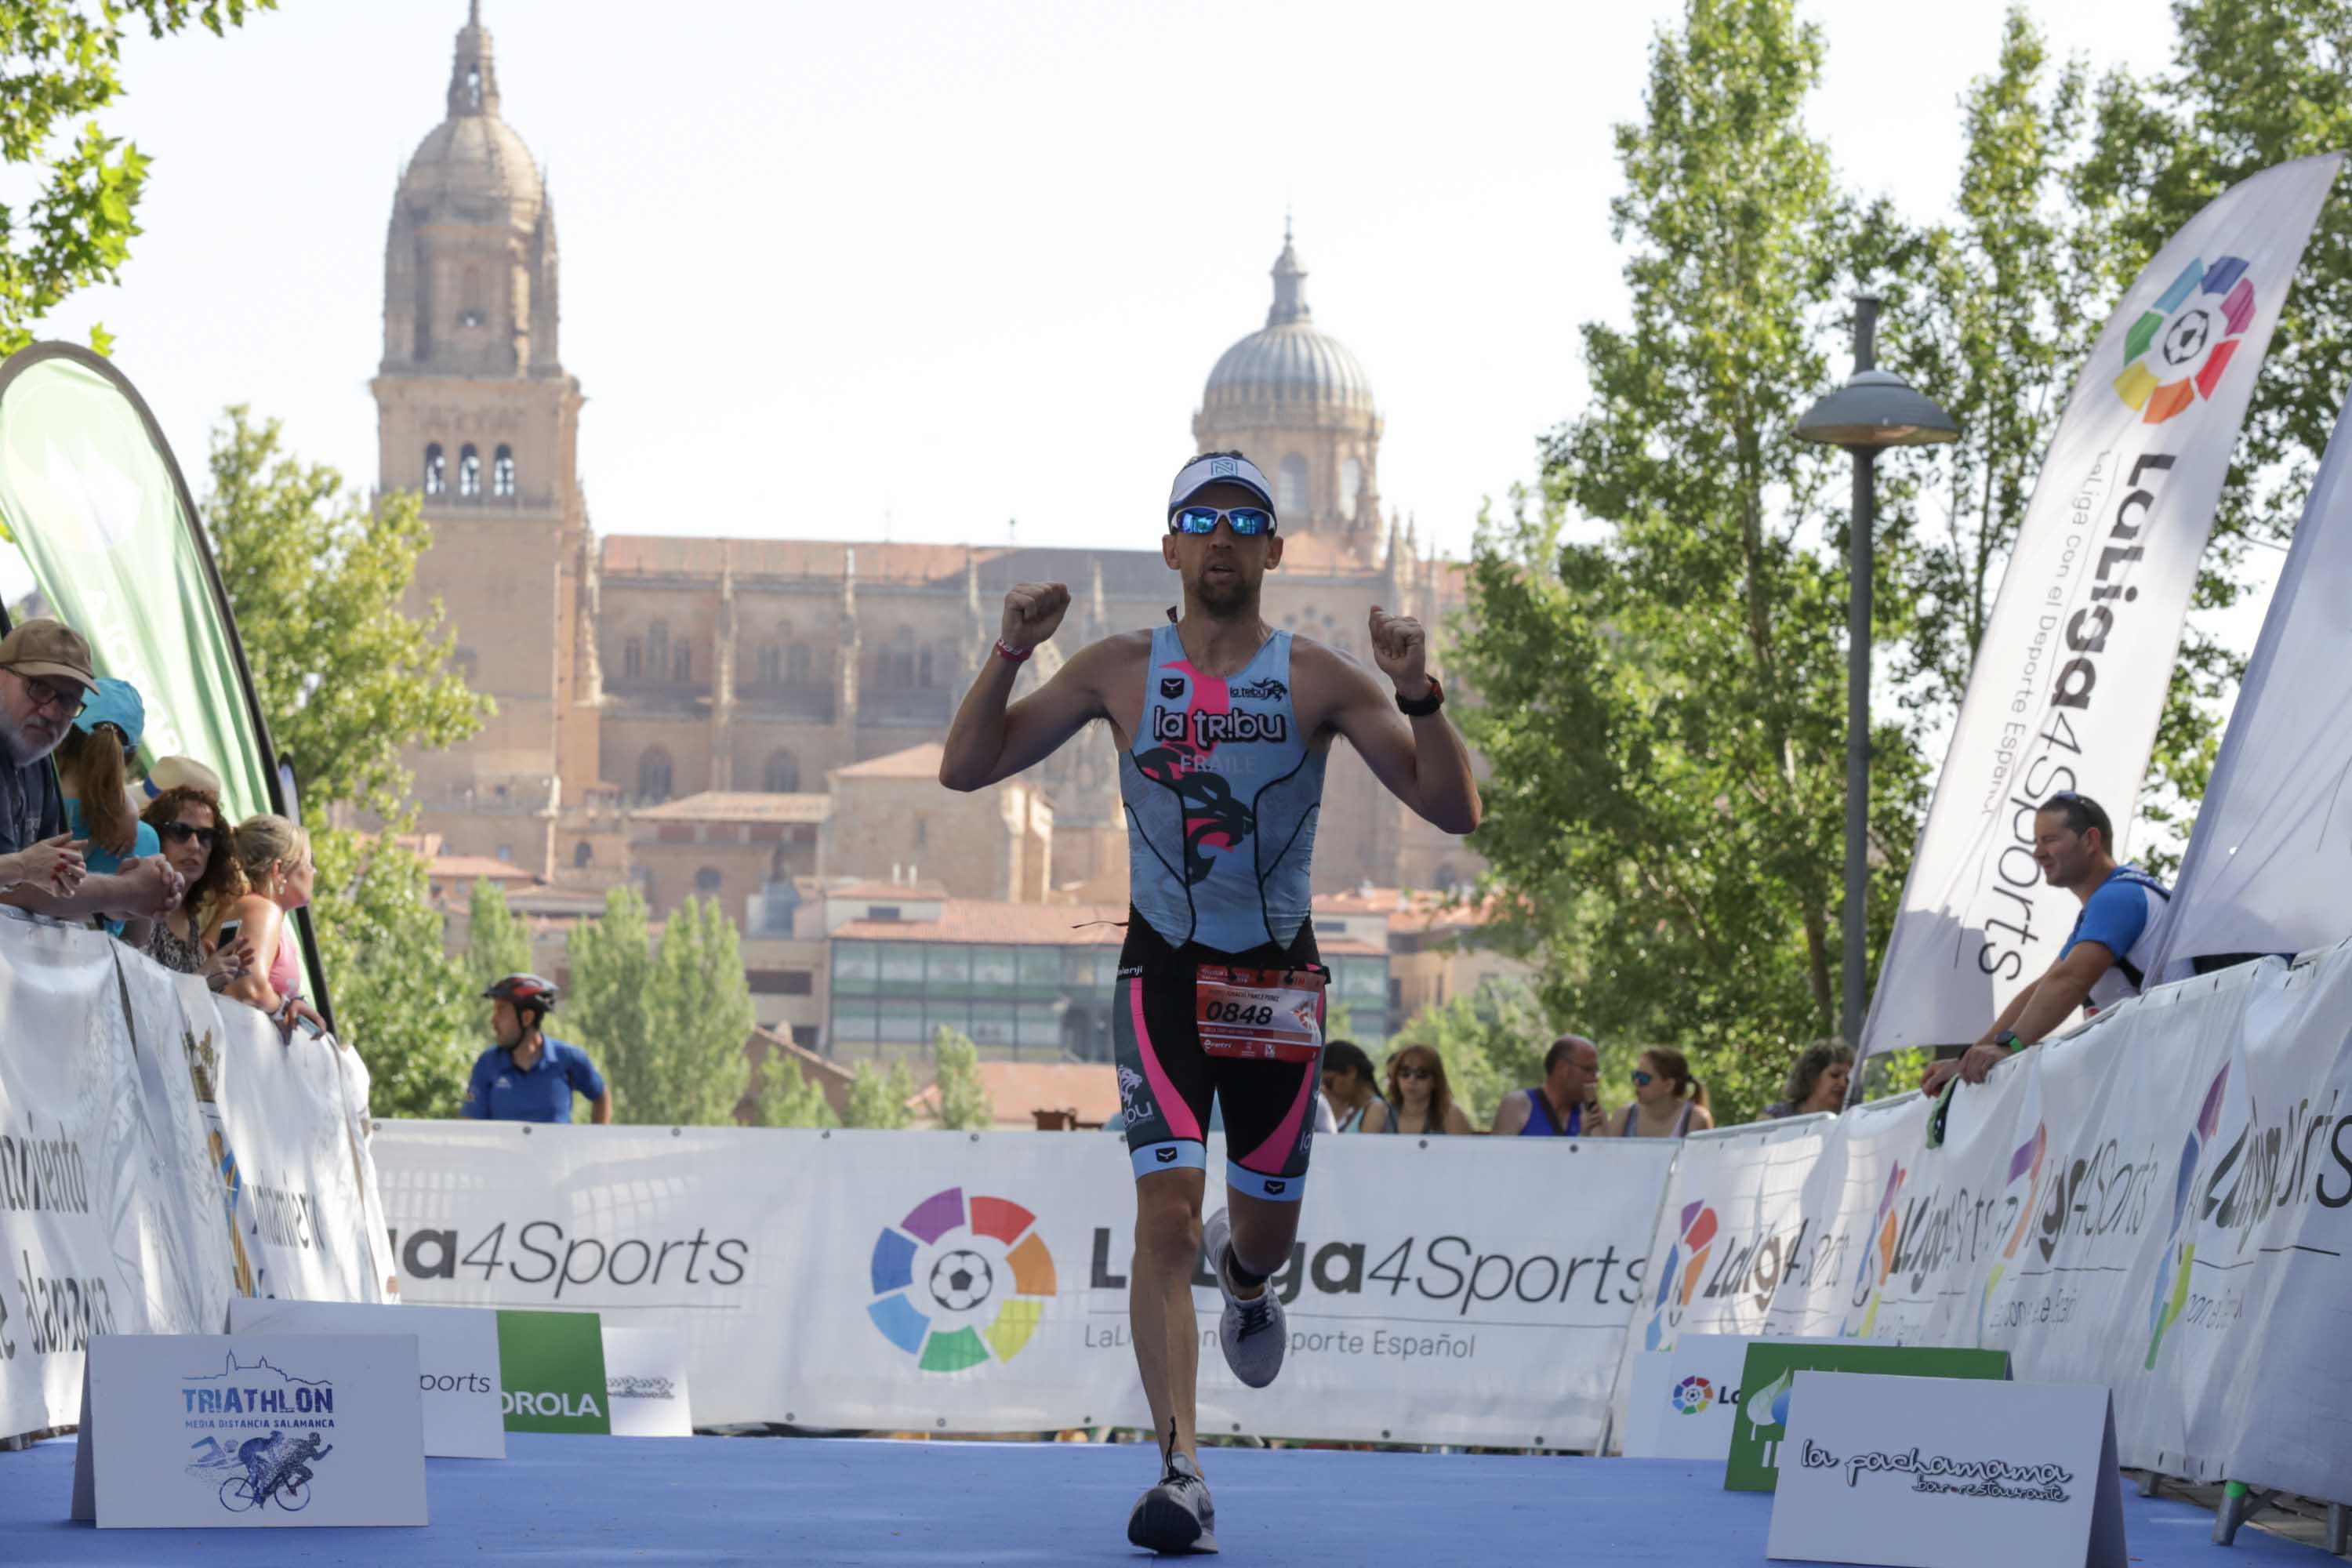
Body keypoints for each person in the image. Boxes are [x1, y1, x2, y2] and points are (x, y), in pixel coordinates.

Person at [937, 449, 1480, 1554]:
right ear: (1172, 545)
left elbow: (1453, 808)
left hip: (1277, 982)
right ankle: (1180, 1471)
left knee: (1256, 1239)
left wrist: (1419, 691)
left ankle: (1248, 1280)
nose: (1223, 537)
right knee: (1164, 1222)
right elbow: (966, 768)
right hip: (1165, 976)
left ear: (1275, 550)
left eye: (1245, 520)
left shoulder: (1323, 677)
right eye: (1202, 519)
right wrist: (1009, 651)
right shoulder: (1116, 670)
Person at [1922, 791, 2170, 1098]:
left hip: (2167, 1070)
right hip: (2155, 1070)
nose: (2037, 853)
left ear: (2091, 841)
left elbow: (2070, 981)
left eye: (2050, 839)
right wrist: (1972, 1057)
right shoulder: (2107, 901)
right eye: (2036, 842)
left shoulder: (2119, 898)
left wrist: (2009, 1047)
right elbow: (2044, 987)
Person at [0, 619, 182, 924]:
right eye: (39, 688)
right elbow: (11, 891)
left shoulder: (39, 763)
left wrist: (120, 907)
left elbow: (44, 889)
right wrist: (125, 891)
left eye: (69, 700)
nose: (51, 712)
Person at [211, 812, 327, 1040]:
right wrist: (285, 1008)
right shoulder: (263, 910)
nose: (314, 871)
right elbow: (248, 988)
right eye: (309, 862)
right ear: (278, 870)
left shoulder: (256, 909)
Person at [137, 771, 255, 988]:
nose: (194, 846)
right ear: (156, 836)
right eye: (180, 832)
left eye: (206, 836)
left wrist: (217, 979)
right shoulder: (140, 905)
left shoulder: (191, 917)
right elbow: (137, 995)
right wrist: (203, 979)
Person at [463, 974, 614, 1123]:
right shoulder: (487, 1063)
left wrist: (596, 1143)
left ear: (527, 1017)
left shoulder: (570, 1058)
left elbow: (601, 1097)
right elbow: (470, 1126)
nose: (493, 1020)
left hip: (556, 1148)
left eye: (501, 1010)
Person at [1491, 1034, 1603, 1137]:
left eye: (1596, 1071)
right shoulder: (1517, 1105)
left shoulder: (1592, 1115)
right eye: (1588, 1070)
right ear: (1562, 1068)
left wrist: (1587, 1136)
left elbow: (1602, 1157)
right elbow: (1499, 1156)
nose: (1595, 1078)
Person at [1612, 1047, 1714, 1138]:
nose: (1636, 1082)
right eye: (1635, 1075)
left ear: (1669, 1085)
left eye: (1643, 1078)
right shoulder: (1624, 1116)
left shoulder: (1696, 1119)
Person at [1379, 1044, 1474, 1135]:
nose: (1412, 1080)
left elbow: (1468, 1151)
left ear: (1436, 1081)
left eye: (1421, 1074)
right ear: (1396, 1078)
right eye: (1405, 1073)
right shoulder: (1381, 1112)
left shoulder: (1451, 1115)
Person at [1762, 1042, 1851, 1118]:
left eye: (1848, 1079)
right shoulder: (1775, 1116)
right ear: (1812, 1076)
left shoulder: (1851, 1120)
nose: (1844, 1084)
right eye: (1835, 1075)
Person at [1320, 1040, 1388, 1133]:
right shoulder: (1352, 1112)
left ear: (1352, 1072)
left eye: (1329, 1082)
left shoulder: (1376, 1109)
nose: (1326, 1090)